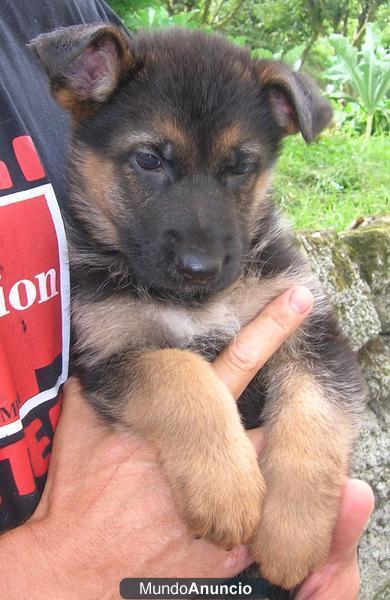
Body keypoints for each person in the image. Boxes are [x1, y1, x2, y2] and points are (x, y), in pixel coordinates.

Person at [0, 0, 374, 597]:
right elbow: (116, 372)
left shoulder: (264, 262)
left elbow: (323, 365)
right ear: (81, 94)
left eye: (237, 170)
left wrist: (308, 483)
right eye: (150, 162)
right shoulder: (100, 274)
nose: (200, 250)